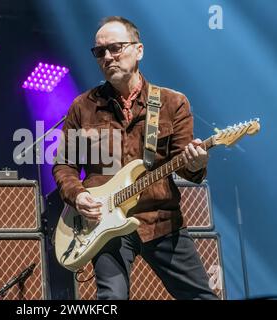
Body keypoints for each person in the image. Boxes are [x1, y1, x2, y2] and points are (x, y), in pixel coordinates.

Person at [52, 16, 218, 300]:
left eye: (115, 48)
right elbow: (64, 165)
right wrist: (78, 196)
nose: (107, 57)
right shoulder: (82, 107)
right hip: (104, 224)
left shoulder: (171, 103)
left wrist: (197, 163)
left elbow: (188, 168)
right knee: (111, 298)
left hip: (161, 220)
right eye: (99, 52)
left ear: (138, 50)